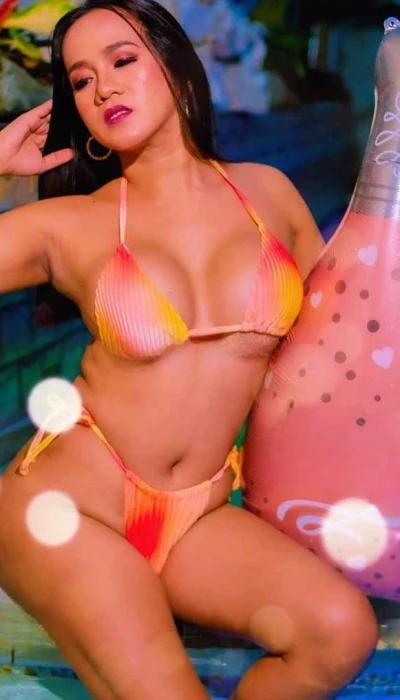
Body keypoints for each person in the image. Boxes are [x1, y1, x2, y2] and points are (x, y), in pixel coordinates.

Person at [0, 1, 378, 698]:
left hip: (197, 516)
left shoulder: (268, 193)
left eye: (122, 60)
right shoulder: (68, 225)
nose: (103, 88)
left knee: (339, 631)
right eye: (80, 80)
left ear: (176, 67)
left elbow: (348, 333)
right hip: (69, 508)